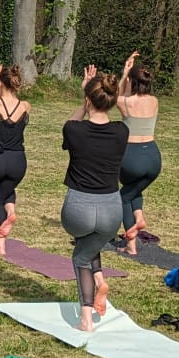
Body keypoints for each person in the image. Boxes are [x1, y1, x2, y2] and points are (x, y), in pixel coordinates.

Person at [61, 66, 128, 331]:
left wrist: (84, 100)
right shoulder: (122, 133)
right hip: (112, 210)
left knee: (80, 256)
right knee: (92, 241)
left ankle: (86, 318)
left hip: (79, 207)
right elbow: (127, 117)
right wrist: (114, 95)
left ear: (89, 101)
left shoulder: (74, 131)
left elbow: (70, 123)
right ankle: (100, 280)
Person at [116, 51, 161, 255]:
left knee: (123, 197)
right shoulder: (154, 101)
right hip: (153, 157)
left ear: (132, 81)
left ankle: (131, 244)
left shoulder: (126, 103)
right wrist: (130, 73)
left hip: (131, 156)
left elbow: (114, 96)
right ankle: (139, 217)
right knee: (133, 189)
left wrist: (124, 74)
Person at [0, 64, 29, 255]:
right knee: (7, 186)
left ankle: (0, 244)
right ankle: (10, 212)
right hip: (17, 161)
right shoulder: (25, 106)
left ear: (1, 84)